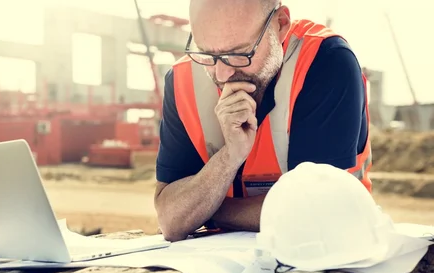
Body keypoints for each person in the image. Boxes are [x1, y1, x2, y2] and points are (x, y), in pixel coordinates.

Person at [154, 0, 373, 242]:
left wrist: (206, 211)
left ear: (280, 25)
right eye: (206, 53)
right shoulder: (182, 81)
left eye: (239, 54)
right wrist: (230, 156)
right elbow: (171, 220)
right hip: (218, 261)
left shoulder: (325, 62)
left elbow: (315, 211)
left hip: (327, 256)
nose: (221, 74)